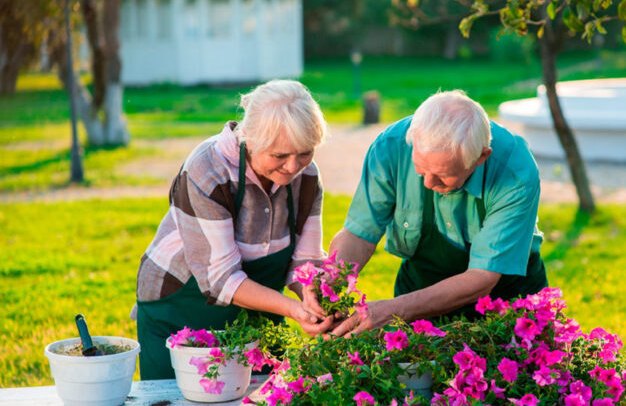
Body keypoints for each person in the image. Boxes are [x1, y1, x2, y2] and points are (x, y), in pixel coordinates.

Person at [305, 90, 547, 336]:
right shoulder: (391, 147)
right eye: (421, 170)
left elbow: (483, 276)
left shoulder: (514, 172)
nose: (429, 184)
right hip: (420, 288)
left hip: (503, 300)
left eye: (444, 175)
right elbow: (359, 233)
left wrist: (394, 310)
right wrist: (331, 281)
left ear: (481, 157)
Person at [134, 79, 332, 380]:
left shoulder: (307, 176)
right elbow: (221, 278)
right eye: (279, 156)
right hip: (180, 306)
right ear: (249, 140)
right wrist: (293, 309)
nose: (293, 167)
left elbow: (305, 261)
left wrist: (310, 296)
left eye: (304, 153)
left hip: (260, 309)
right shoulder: (208, 169)